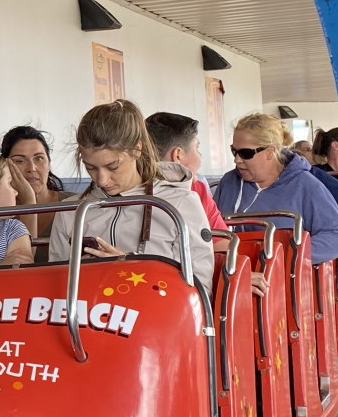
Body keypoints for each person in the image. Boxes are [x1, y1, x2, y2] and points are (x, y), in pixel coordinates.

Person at [47, 100, 215, 288]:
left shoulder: (179, 204)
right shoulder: (70, 211)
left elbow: (200, 290)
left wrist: (132, 270)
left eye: (113, 167)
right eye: (91, 168)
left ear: (137, 149)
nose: (102, 180)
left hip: (157, 314)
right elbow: (56, 284)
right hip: (87, 314)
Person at [216, 113, 338, 268]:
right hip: (232, 277)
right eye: (234, 151)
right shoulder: (228, 183)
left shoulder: (305, 185)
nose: (237, 160)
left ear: (270, 151)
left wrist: (288, 257)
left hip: (282, 283)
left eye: (245, 153)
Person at [143, 111, 230, 232]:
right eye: (197, 148)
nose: (200, 157)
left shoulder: (127, 190)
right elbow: (222, 244)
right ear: (178, 155)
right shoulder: (195, 191)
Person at [0, 124, 76, 240]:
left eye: (39, 158)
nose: (31, 168)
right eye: (19, 161)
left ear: (49, 163)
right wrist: (28, 200)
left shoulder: (75, 204)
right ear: (5, 166)